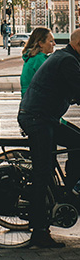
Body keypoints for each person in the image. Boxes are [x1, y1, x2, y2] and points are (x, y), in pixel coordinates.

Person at [18, 28, 80, 248]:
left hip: (45, 117)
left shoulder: (67, 58)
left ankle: (70, 190)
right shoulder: (68, 61)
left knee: (77, 142)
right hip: (37, 119)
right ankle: (39, 231)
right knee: (42, 172)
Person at [20, 27, 55, 97]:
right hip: (37, 102)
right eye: (51, 41)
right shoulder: (38, 60)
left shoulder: (33, 58)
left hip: (29, 102)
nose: (54, 44)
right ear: (41, 43)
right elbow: (52, 81)